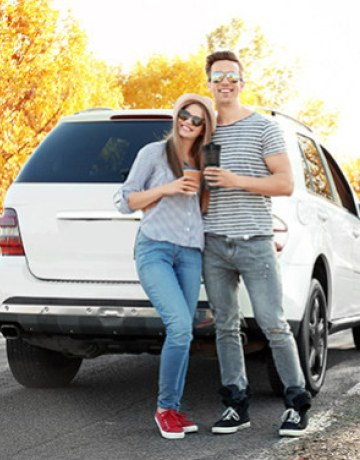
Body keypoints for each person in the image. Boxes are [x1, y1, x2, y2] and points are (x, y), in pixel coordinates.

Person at [202, 51, 312, 437]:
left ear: (242, 82)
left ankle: (297, 405)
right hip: (213, 243)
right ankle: (235, 406)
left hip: (255, 243)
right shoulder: (203, 129)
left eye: (232, 76)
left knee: (273, 324)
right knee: (225, 327)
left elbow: (284, 183)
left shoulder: (263, 128)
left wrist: (237, 180)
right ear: (209, 84)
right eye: (218, 77)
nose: (225, 83)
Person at [114, 94, 216, 439]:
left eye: (197, 119)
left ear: (205, 127)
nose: (187, 121)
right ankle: (165, 409)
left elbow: (207, 210)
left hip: (189, 254)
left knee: (184, 332)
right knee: (180, 325)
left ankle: (173, 408)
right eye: (184, 114)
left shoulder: (205, 159)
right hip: (154, 249)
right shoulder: (153, 154)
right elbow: (125, 201)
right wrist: (169, 187)